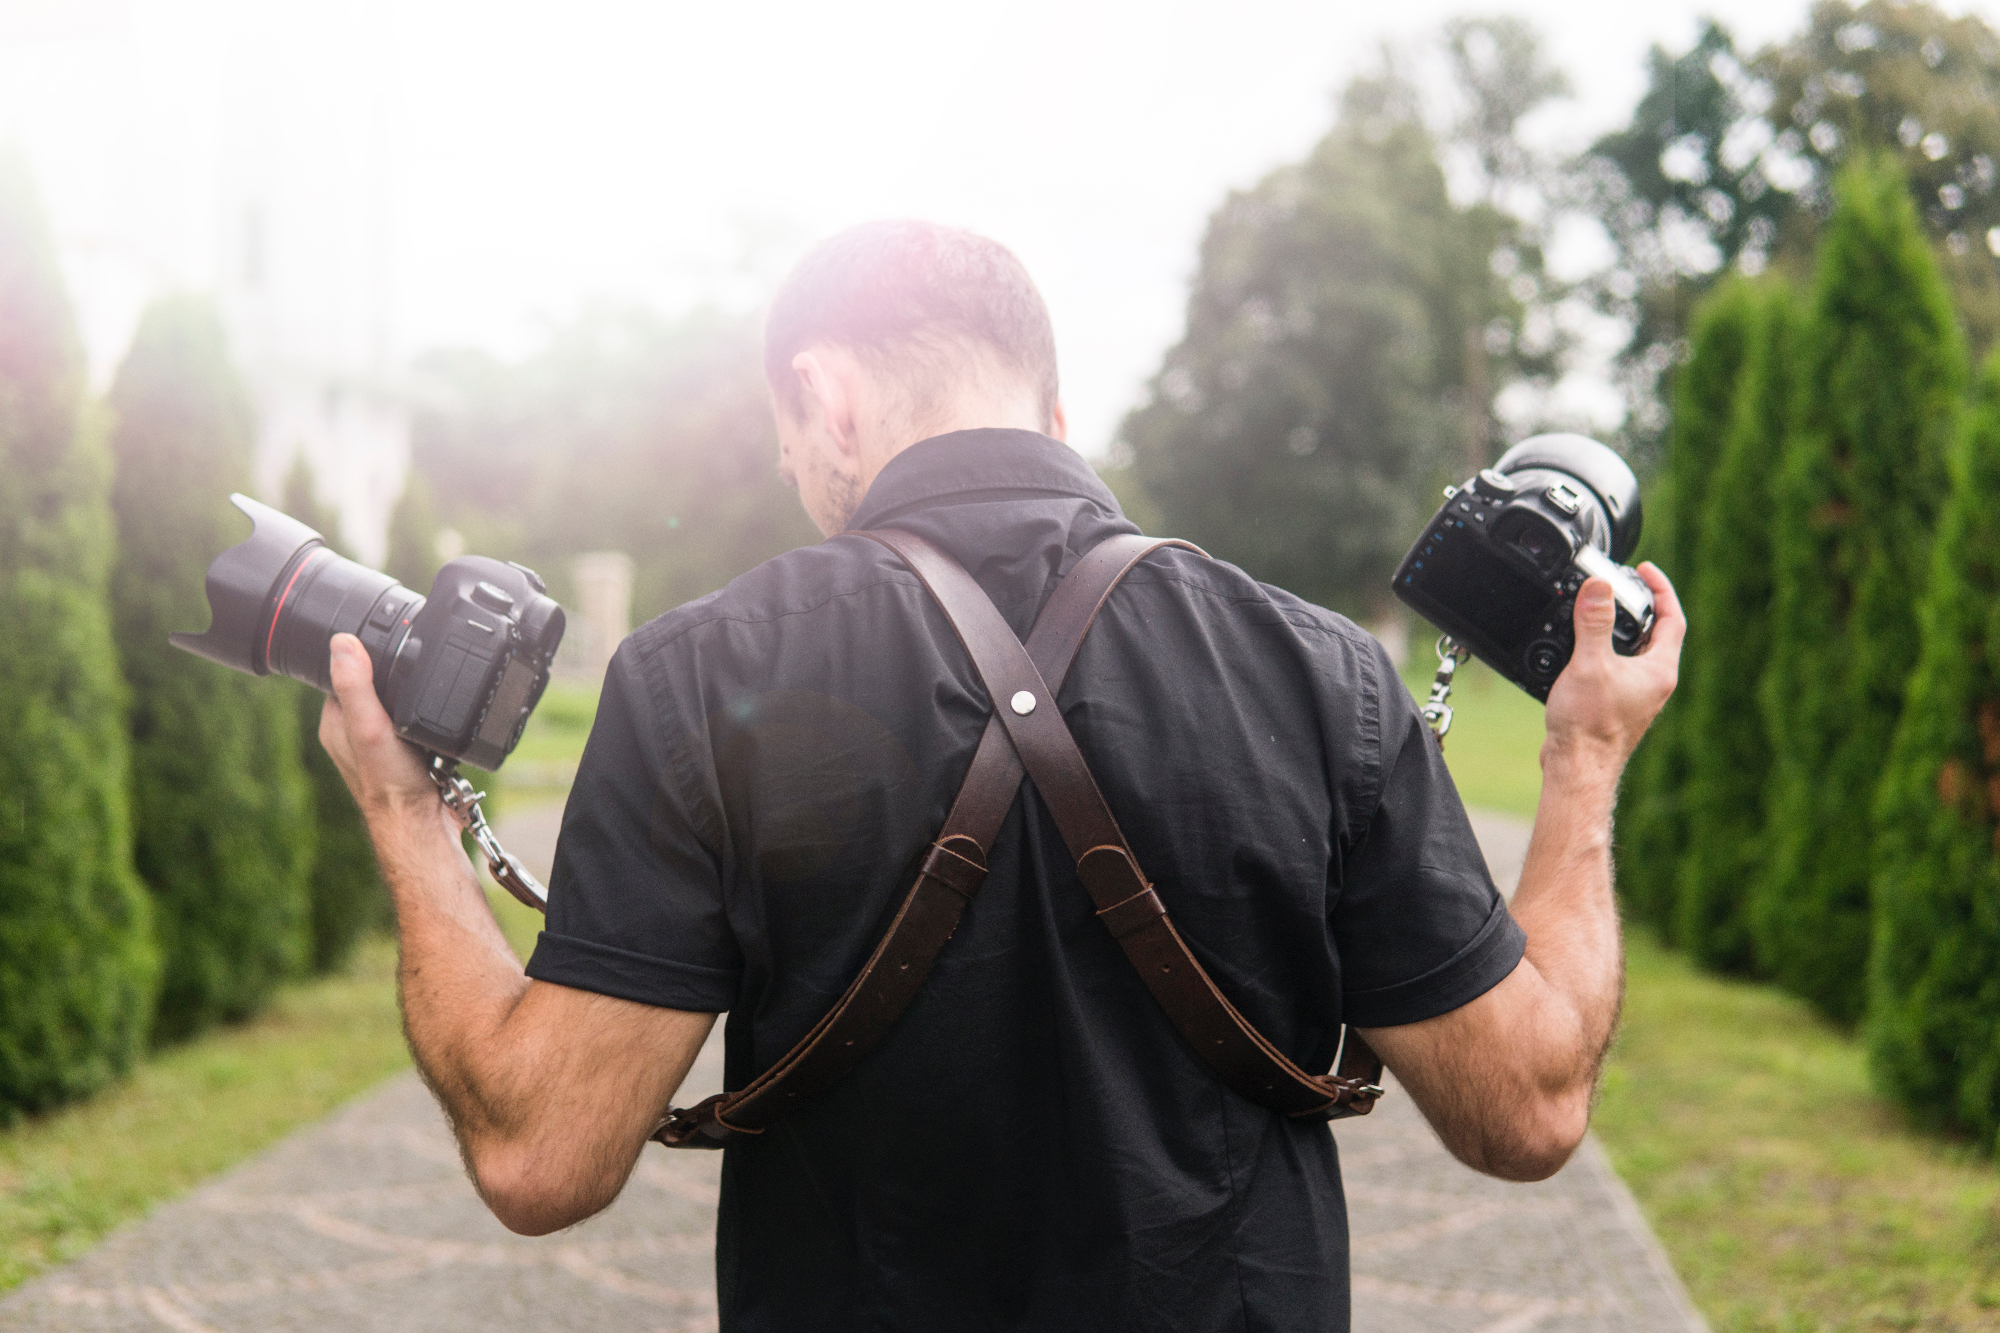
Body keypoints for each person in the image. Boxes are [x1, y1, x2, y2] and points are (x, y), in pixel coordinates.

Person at [319, 219, 1683, 1332]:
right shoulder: (1319, 670)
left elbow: (539, 1150)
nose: (797, 469)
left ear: (826, 396)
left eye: (789, 436)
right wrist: (1584, 751)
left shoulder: (695, 676)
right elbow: (1530, 1106)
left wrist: (400, 809)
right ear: (1055, 413)